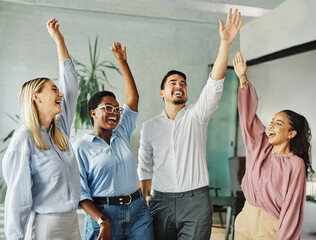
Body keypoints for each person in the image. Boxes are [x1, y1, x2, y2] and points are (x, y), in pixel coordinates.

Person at [137, 9, 243, 240]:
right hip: (160, 201)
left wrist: (225, 43)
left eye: (183, 83)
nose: (179, 85)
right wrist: (144, 197)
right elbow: (144, 166)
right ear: (162, 92)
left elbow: (214, 83)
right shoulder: (150, 126)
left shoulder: (197, 115)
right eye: (173, 82)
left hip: (196, 202)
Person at [2, 19, 81, 239]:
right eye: (53, 89)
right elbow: (17, 198)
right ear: (36, 97)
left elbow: (71, 84)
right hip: (46, 226)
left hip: (72, 221)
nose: (61, 94)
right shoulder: (24, 140)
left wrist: (59, 41)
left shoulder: (59, 130)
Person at [73, 41, 153, 240]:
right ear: (93, 113)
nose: (114, 113)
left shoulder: (121, 133)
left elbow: (133, 99)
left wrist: (123, 62)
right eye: (107, 108)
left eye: (117, 109)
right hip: (104, 214)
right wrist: (102, 221)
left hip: (138, 211)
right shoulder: (81, 147)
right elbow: (81, 194)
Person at [233, 51, 314, 239]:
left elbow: (292, 208)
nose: (271, 126)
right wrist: (243, 79)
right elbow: (248, 119)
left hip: (271, 227)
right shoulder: (258, 147)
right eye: (272, 121)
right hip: (245, 219)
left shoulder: (296, 164)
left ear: (291, 134)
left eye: (278, 123)